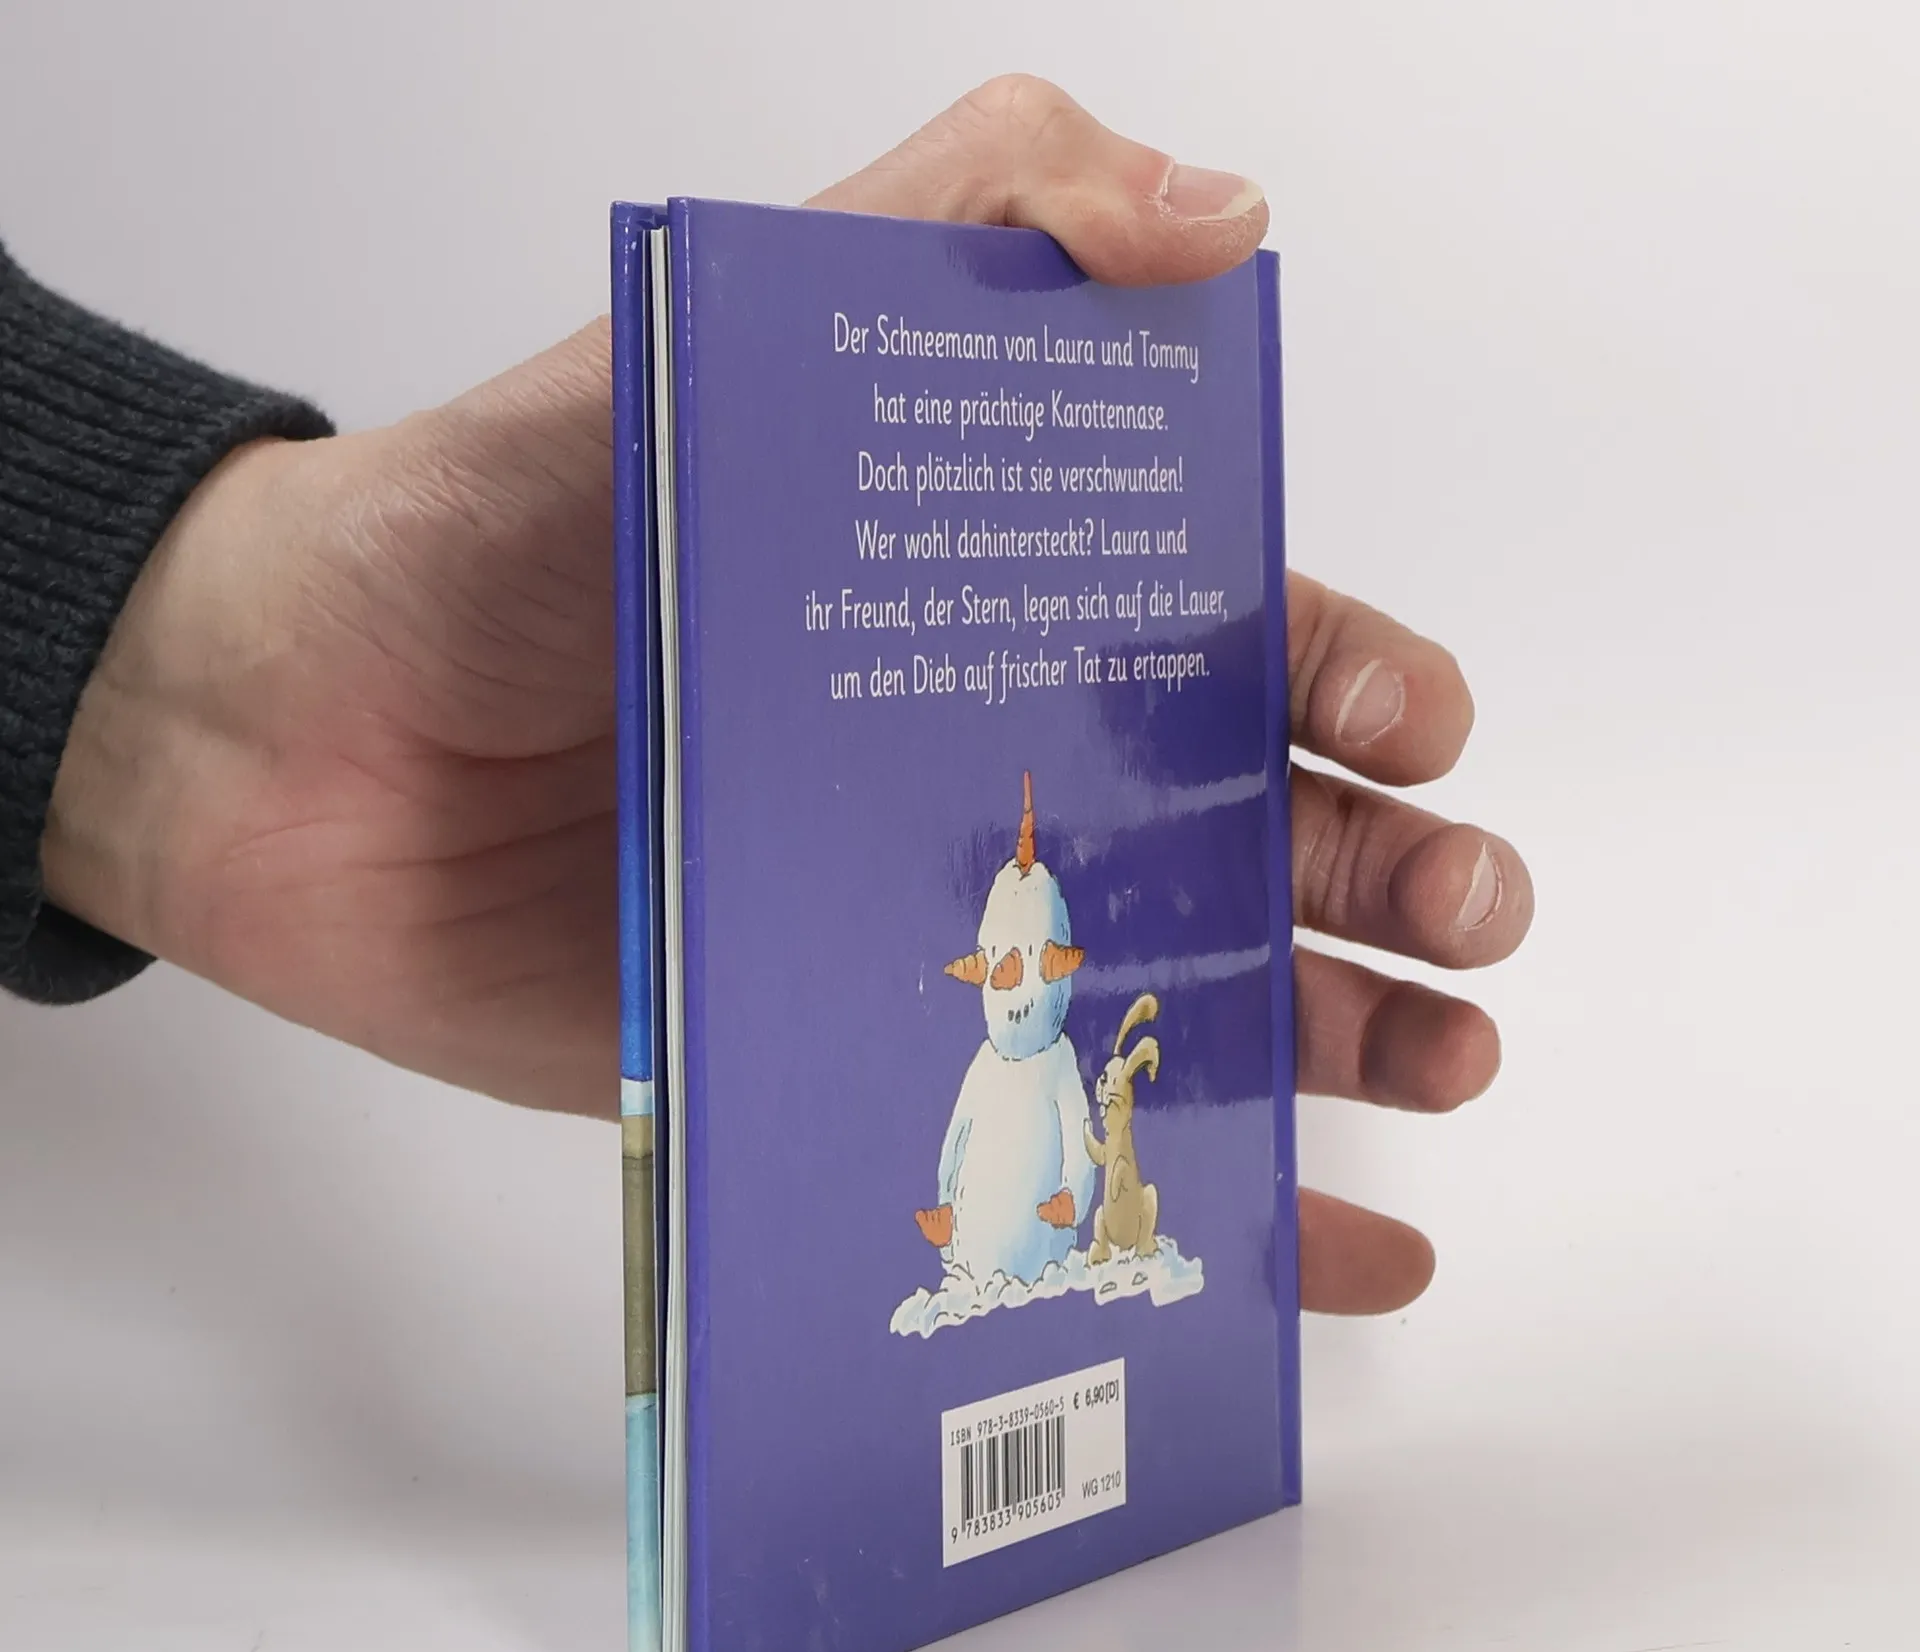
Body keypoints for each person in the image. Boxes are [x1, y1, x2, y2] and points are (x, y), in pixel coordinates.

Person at [0, 76, 1531, 1315]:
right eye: (1006, 973)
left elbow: (1055, 1121)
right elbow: (971, 1128)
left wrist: (164, 663)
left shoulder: (1049, 1052)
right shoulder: (995, 1047)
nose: (1016, 992)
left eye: (1027, 971)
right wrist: (162, 680)